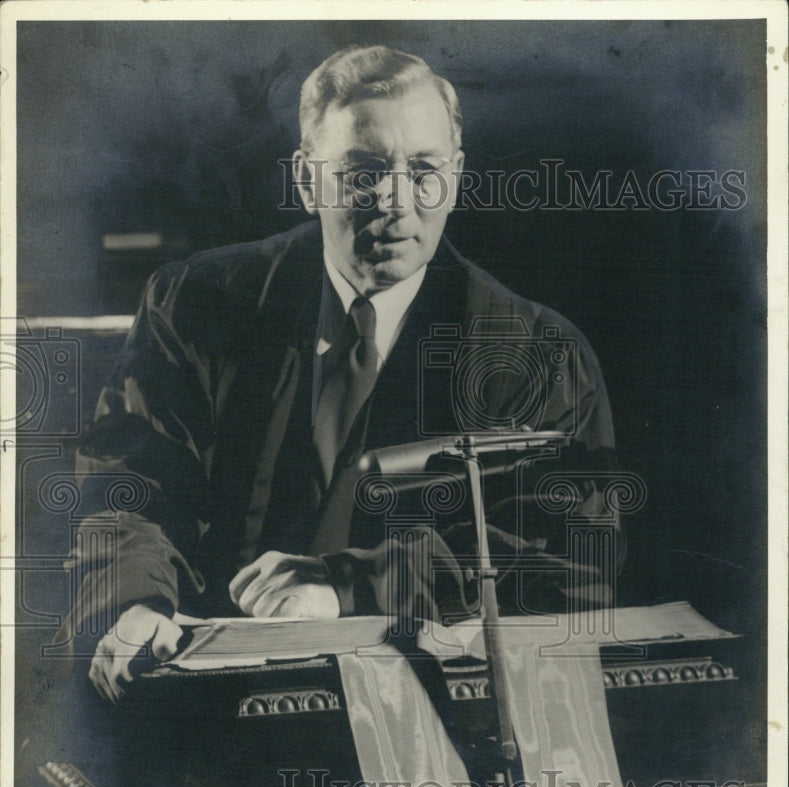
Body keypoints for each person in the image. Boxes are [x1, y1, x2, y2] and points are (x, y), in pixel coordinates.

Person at [60, 45, 620, 704]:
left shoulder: (538, 353)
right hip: (197, 704)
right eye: (362, 172)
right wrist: (133, 607)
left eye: (424, 169)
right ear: (305, 178)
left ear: (459, 174)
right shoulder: (196, 304)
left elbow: (565, 564)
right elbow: (128, 493)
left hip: (427, 716)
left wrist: (347, 586)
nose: (395, 203)